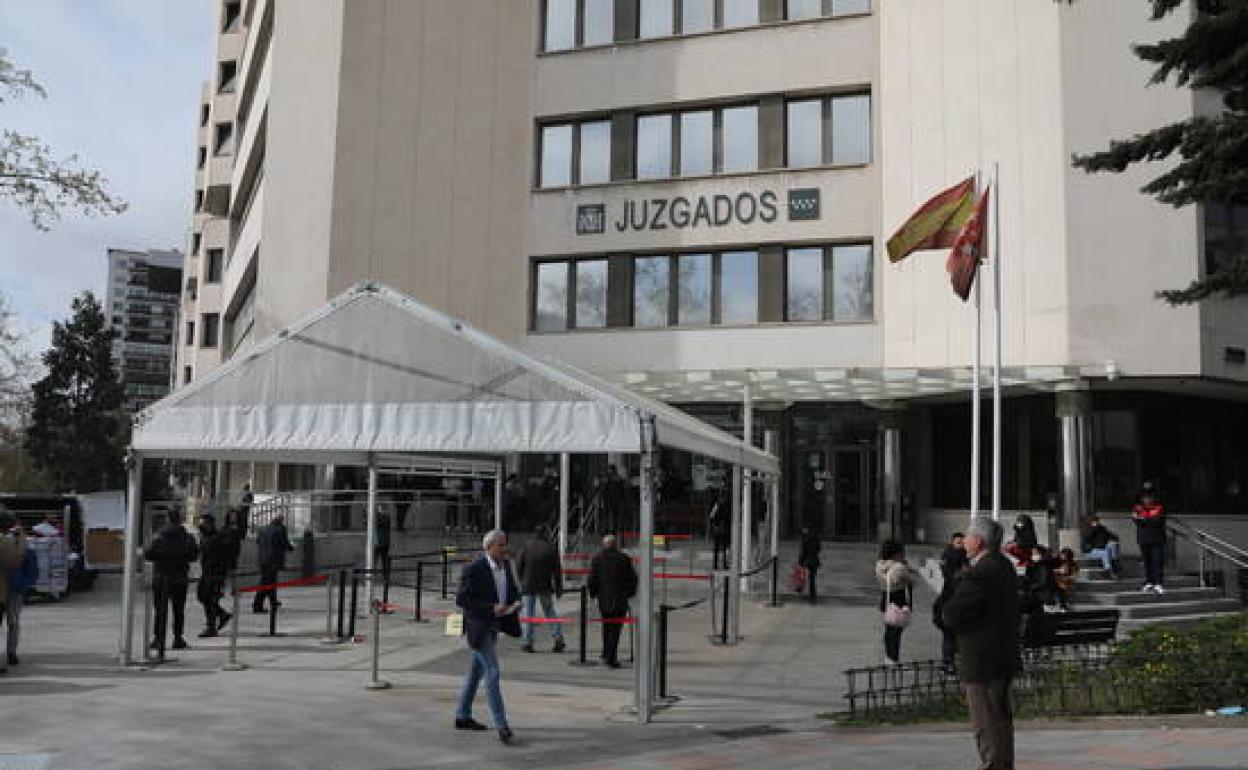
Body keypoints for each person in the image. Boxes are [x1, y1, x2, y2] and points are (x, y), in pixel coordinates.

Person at [941, 518, 1021, 770]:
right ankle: (1002, 763)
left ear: (979, 540)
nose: (964, 541)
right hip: (1002, 654)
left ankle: (992, 764)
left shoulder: (981, 572)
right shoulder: (1004, 566)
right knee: (999, 717)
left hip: (982, 658)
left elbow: (952, 613)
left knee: (985, 720)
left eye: (967, 536)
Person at [454, 529, 521, 745]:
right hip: (479, 626)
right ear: (489, 547)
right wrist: (491, 608)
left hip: (495, 626)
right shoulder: (474, 569)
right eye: (500, 545)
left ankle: (462, 716)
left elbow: (510, 591)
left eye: (505, 544)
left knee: (475, 672)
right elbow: (463, 599)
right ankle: (502, 725)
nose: (504, 549)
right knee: (492, 672)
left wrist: (515, 602)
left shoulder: (506, 566)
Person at [144, 511, 200, 657]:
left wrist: (162, 557)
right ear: (180, 520)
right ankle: (178, 638)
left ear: (167, 520)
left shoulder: (159, 537)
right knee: (178, 610)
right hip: (179, 577)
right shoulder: (187, 537)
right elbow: (194, 556)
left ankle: (158, 638)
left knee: (160, 610)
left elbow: (148, 554)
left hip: (161, 577)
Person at [588, 534, 637, 669]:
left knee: (606, 626)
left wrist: (593, 594)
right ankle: (611, 656)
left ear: (604, 544)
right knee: (616, 629)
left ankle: (606, 654)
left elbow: (592, 579)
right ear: (616, 544)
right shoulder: (624, 559)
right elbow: (633, 579)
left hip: (604, 599)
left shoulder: (597, 558)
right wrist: (630, 593)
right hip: (620, 599)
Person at [515, 526, 565, 654]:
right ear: (545, 534)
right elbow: (557, 571)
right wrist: (559, 588)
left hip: (528, 584)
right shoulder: (551, 548)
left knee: (528, 614)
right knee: (549, 612)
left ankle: (527, 642)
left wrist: (521, 579)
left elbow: (518, 564)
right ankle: (558, 637)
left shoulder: (526, 546)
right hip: (545, 585)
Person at [196, 514, 233, 637]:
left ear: (210, 524)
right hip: (206, 572)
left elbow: (225, 556)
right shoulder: (204, 537)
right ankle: (222, 615)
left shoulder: (219, 538)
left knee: (210, 600)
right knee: (202, 597)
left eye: (204, 523)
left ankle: (211, 626)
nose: (202, 525)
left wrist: (222, 573)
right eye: (201, 523)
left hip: (215, 574)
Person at [935, 532, 968, 670]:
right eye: (958, 542)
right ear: (952, 542)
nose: (960, 545)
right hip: (951, 597)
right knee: (950, 633)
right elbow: (946, 573)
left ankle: (950, 661)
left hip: (958, 598)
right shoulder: (948, 555)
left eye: (962, 542)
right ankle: (949, 662)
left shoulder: (965, 556)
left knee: (953, 634)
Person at [875, 539, 911, 666]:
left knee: (889, 629)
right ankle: (893, 658)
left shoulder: (880, 565)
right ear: (896, 553)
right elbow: (908, 580)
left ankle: (888, 656)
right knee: (896, 632)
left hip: (886, 599)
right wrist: (905, 566)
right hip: (898, 600)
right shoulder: (899, 567)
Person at [0, 513, 26, 673]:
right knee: (13, 621)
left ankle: (11, 653)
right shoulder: (5, 542)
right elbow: (14, 561)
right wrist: (20, 540)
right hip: (6, 589)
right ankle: (11, 654)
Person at [254, 515, 294, 613]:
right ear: (281, 521)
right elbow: (284, 543)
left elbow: (258, 541)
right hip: (273, 560)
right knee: (267, 583)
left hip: (263, 560)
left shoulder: (264, 529)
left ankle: (273, 601)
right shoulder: (281, 529)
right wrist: (291, 548)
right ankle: (257, 605)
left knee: (269, 582)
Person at [1132, 484, 1167, 594]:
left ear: (1153, 498)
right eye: (1145, 497)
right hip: (1143, 539)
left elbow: (1158, 522)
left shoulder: (1159, 508)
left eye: (1149, 497)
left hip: (1157, 539)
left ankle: (1158, 584)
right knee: (1147, 562)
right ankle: (1149, 582)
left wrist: (1144, 520)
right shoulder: (1137, 508)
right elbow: (1136, 521)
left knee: (1157, 562)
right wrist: (1149, 520)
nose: (1147, 499)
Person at [797, 527, 821, 604]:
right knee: (812, 578)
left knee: (802, 576)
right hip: (814, 560)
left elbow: (803, 552)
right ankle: (812, 596)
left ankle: (800, 589)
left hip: (807, 560)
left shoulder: (805, 540)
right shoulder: (815, 538)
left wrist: (800, 562)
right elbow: (818, 549)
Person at [708, 490, 730, 570]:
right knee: (722, 548)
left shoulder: (719, 505)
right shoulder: (722, 506)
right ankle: (720, 564)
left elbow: (711, 517)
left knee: (720, 548)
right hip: (721, 529)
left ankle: (718, 565)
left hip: (719, 529)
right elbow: (712, 516)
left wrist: (713, 524)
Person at [374, 511, 392, 586]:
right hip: (382, 543)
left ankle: (385, 579)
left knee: (379, 561)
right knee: (382, 562)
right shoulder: (385, 520)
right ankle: (385, 579)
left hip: (380, 544)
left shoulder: (382, 521)